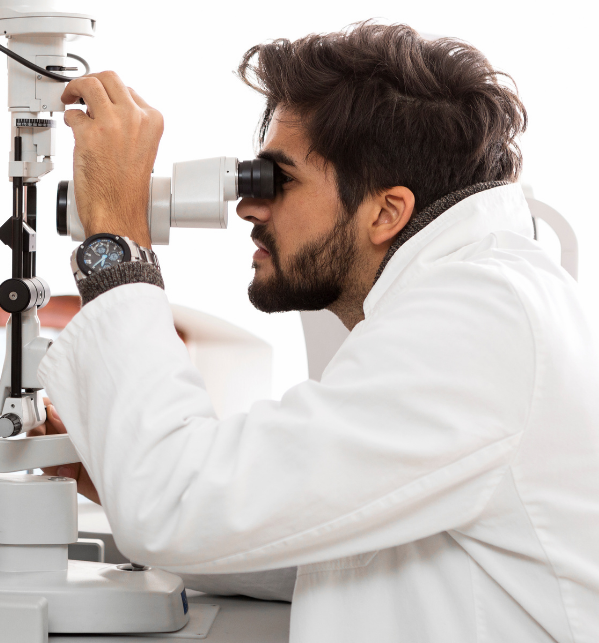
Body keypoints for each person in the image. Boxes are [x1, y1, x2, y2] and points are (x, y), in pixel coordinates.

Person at [35, 22, 599, 642]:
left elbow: (177, 506)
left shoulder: (479, 319)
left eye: (280, 180)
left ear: (387, 211)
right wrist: (122, 476)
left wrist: (116, 241)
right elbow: (334, 545)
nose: (249, 207)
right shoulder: (481, 298)